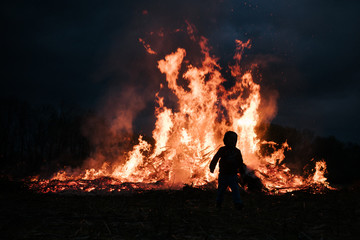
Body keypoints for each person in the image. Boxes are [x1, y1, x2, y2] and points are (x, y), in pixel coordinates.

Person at [210, 131, 245, 210]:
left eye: (234, 140)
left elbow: (240, 162)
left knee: (235, 189)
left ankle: (237, 203)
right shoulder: (222, 150)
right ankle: (218, 203)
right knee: (221, 190)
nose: (232, 141)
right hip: (223, 175)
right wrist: (212, 167)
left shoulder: (237, 151)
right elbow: (215, 158)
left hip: (233, 175)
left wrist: (242, 172)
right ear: (225, 140)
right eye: (230, 139)